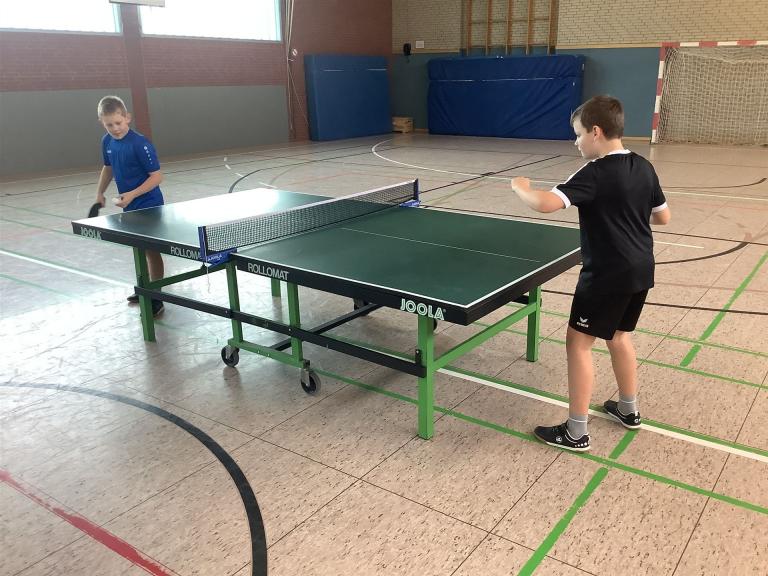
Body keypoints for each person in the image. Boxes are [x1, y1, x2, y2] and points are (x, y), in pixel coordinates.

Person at [510, 95, 671, 451]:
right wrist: (627, 211)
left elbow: (546, 204)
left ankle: (576, 432)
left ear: (596, 132)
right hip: (641, 268)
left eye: (578, 134)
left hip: (606, 274)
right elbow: (663, 216)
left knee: (578, 343)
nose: (576, 142)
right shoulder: (644, 166)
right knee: (620, 337)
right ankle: (628, 409)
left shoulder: (594, 173)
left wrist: (521, 187)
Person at [94, 95, 165, 317]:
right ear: (102, 123)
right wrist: (100, 192)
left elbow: (157, 177)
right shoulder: (107, 142)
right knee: (138, 249)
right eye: (109, 125)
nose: (115, 128)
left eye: (118, 122)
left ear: (127, 117)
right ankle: (145, 288)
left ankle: (156, 296)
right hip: (130, 205)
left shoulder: (140, 144)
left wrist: (132, 194)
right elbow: (108, 168)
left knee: (152, 251)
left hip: (150, 204)